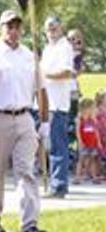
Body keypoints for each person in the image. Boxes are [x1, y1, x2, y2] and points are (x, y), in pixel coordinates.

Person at [0, 10, 49, 232]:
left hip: (24, 117)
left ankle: (29, 224)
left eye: (17, 26)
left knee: (26, 171)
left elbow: (41, 89)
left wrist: (45, 120)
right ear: (0, 28)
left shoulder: (30, 55)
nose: (14, 31)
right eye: (9, 26)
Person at [41, 16, 74, 198]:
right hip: (46, 103)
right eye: (48, 28)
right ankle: (53, 181)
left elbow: (67, 72)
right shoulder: (47, 48)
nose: (51, 31)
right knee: (48, 145)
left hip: (58, 104)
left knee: (57, 145)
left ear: (61, 28)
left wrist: (45, 75)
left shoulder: (64, 47)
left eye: (54, 28)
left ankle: (59, 185)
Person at [73, 98, 102, 184]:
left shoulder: (92, 119)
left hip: (92, 143)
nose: (94, 110)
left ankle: (94, 177)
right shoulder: (80, 118)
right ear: (86, 108)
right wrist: (80, 141)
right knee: (81, 159)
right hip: (84, 143)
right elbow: (77, 131)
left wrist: (99, 142)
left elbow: (96, 131)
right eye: (92, 108)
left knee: (92, 159)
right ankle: (77, 177)